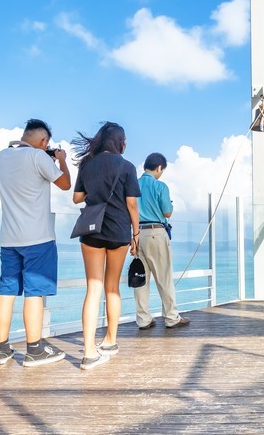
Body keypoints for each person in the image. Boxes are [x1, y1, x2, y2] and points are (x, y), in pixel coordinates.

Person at [0, 118, 72, 367]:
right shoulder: (39, 158)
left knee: (6, 291)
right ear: (43, 141)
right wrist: (61, 159)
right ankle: (34, 350)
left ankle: (2, 350)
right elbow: (65, 184)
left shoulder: (1, 157)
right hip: (38, 238)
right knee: (34, 294)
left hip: (9, 238)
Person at [72, 122, 141, 370]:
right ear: (120, 142)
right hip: (118, 230)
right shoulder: (126, 166)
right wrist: (136, 233)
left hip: (91, 230)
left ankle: (89, 352)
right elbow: (132, 204)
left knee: (93, 288)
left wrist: (94, 189)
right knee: (112, 287)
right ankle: (110, 341)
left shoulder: (87, 164)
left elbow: (77, 197)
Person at [134, 153, 190, 330]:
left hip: (137, 233)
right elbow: (167, 212)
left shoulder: (133, 184)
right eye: (161, 170)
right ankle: (171, 317)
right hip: (156, 233)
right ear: (159, 168)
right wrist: (170, 204)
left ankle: (143, 319)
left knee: (141, 278)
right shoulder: (160, 186)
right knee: (164, 277)